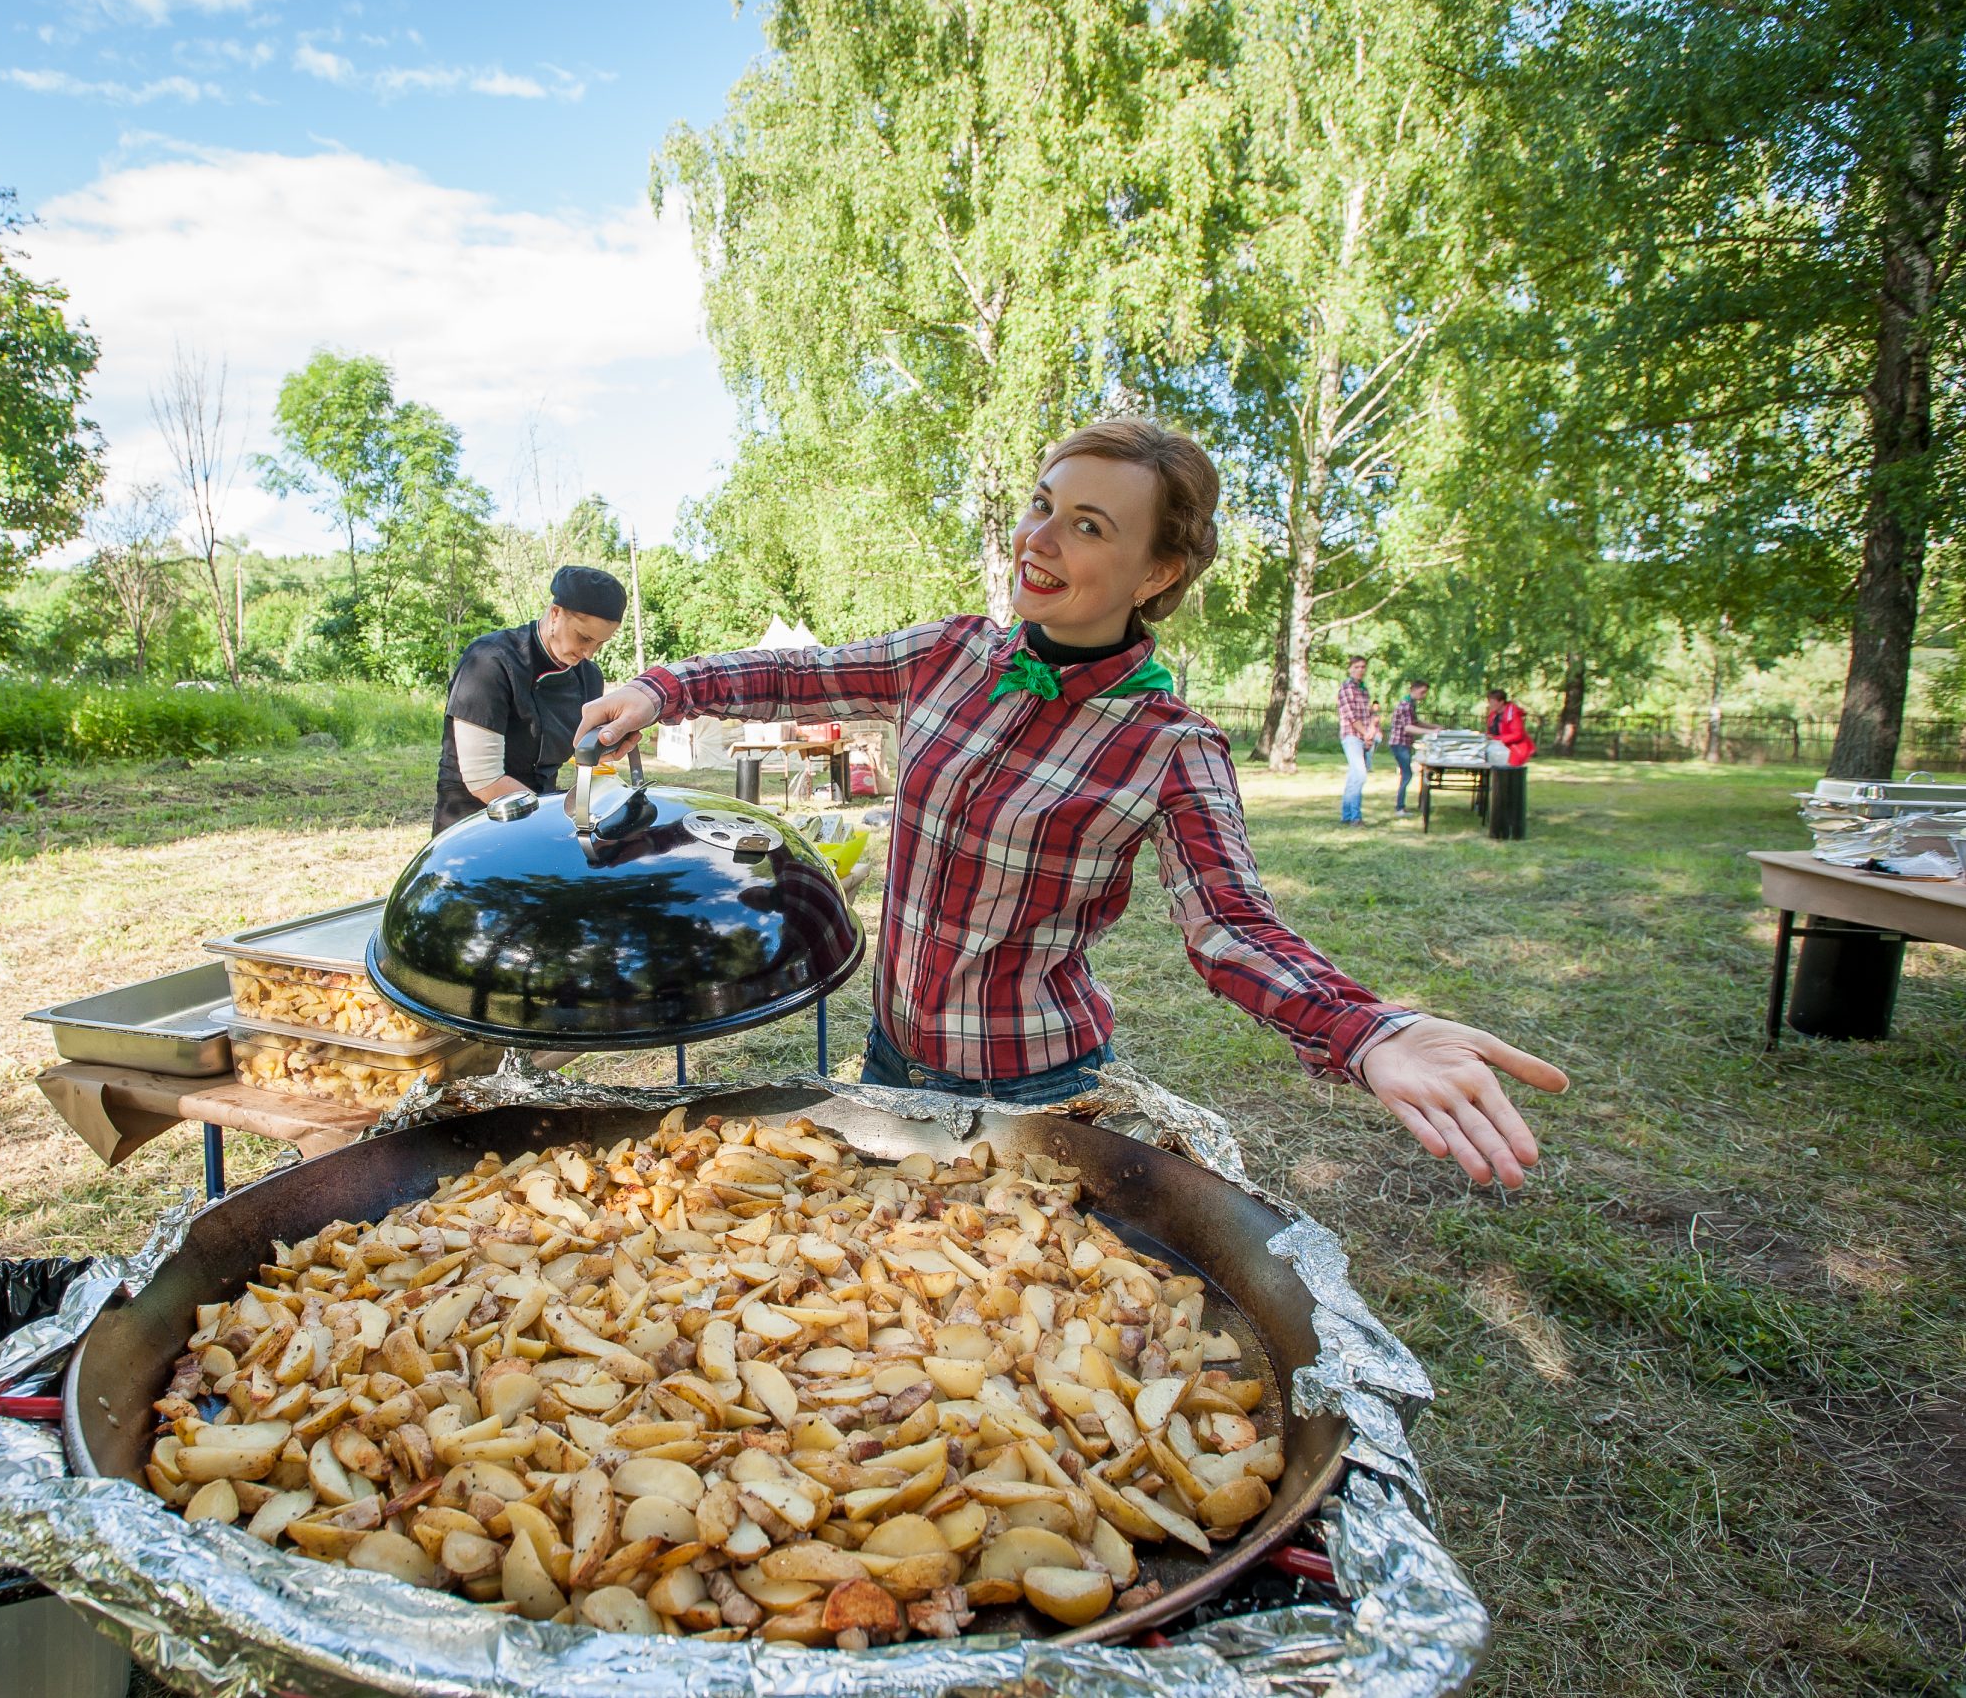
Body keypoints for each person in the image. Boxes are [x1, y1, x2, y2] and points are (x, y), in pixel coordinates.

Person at [578, 419, 1566, 1187]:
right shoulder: (950, 656)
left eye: (1088, 526)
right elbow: (800, 677)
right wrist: (663, 688)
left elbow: (1230, 924)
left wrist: (1367, 1030)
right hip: (891, 1056)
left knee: (1001, 1308)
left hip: (1033, 1084)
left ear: (1158, 571)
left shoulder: (1169, 745)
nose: (1038, 540)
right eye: (1042, 504)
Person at [431, 565, 626, 835]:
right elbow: (484, 779)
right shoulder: (490, 662)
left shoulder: (589, 678)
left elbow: (592, 762)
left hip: (538, 820)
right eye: (584, 637)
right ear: (555, 614)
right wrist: (554, 822)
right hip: (474, 824)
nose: (589, 653)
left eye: (600, 644)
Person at [1336, 657, 1379, 826]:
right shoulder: (1347, 688)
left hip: (1364, 736)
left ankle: (1346, 816)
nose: (1360, 670)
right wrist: (1366, 734)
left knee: (1354, 776)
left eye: (1363, 667)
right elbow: (1351, 716)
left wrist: (1370, 734)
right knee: (1360, 775)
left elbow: (1366, 715)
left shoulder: (1364, 690)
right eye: (1356, 667)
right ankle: (1356, 817)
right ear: (1350, 669)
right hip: (1351, 736)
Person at [1388, 680, 1440, 816]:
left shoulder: (1410, 704)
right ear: (1413, 689)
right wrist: (1430, 732)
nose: (1423, 695)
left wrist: (1434, 727)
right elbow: (1408, 727)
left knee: (1406, 774)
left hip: (1404, 743)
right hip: (1399, 743)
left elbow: (1415, 722)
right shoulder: (1405, 705)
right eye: (1422, 692)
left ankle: (1401, 806)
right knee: (1407, 774)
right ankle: (1399, 807)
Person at [1485, 688, 1534, 766]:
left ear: (1501, 702)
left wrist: (1496, 739)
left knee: (1507, 775)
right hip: (1498, 749)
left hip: (1515, 750)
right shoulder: (1493, 715)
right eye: (1489, 701)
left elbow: (1518, 735)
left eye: (1492, 702)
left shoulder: (1513, 714)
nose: (1489, 704)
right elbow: (1490, 732)